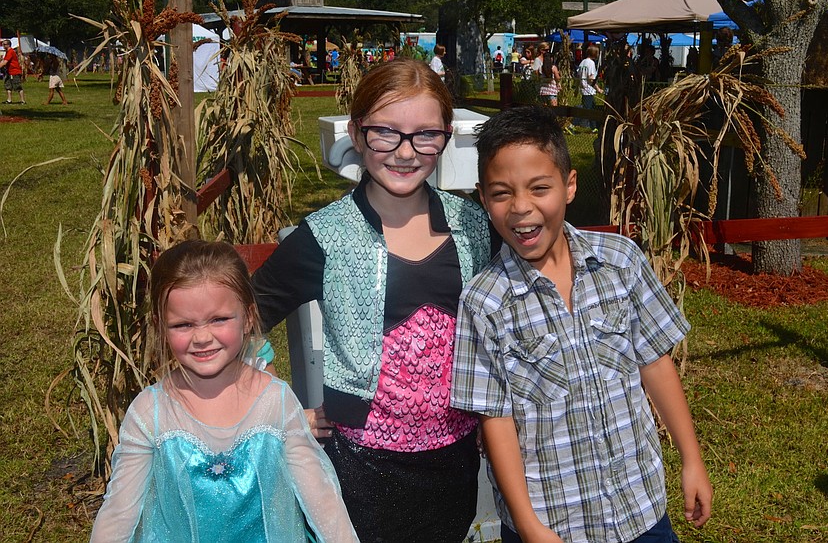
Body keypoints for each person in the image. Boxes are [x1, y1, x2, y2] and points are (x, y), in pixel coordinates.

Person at [251, 58, 496, 542]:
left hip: (455, 464)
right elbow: (239, 319)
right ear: (357, 134)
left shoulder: (475, 227)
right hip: (360, 471)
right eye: (386, 132)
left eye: (426, 135)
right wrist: (279, 410)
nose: (405, 152)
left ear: (446, 137)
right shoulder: (324, 236)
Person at [451, 106, 713, 543]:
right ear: (483, 197)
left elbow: (655, 363)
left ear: (569, 185)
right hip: (553, 523)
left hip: (639, 507)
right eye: (501, 193)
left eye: (540, 188)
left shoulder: (621, 261)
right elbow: (496, 420)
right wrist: (529, 526)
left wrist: (692, 458)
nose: (521, 207)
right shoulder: (483, 303)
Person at [90, 240, 359, 543]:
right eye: (183, 325)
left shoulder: (275, 401)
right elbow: (118, 513)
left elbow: (321, 498)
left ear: (248, 317)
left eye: (218, 319)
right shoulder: (150, 413)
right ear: (160, 326)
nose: (202, 337)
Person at [577, 45, 602, 130]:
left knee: (592, 108)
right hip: (588, 89)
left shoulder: (583, 62)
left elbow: (579, 74)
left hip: (583, 88)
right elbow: (591, 78)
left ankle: (593, 127)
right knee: (586, 110)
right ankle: (572, 124)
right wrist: (598, 89)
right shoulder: (591, 63)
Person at [0, 39, 25, 104]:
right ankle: (9, 100)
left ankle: (22, 101)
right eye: (2, 44)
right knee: (8, 85)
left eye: (4, 44)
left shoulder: (10, 51)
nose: (3, 46)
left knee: (17, 86)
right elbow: (3, 61)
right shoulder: (7, 52)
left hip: (14, 72)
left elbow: (5, 62)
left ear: (8, 45)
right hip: (9, 71)